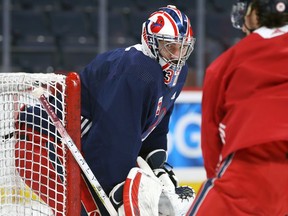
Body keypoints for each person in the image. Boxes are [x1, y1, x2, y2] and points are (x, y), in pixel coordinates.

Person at [78, 5, 196, 215]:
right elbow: (114, 135)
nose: (178, 56)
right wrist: (116, 190)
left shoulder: (176, 73)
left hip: (88, 143)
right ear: (151, 41)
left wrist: (158, 167)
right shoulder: (137, 69)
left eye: (183, 47)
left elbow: (156, 125)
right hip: (55, 140)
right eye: (170, 46)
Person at [187, 0, 288, 215]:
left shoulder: (227, 62)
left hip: (252, 165)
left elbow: (210, 134)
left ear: (258, 14)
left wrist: (216, 178)